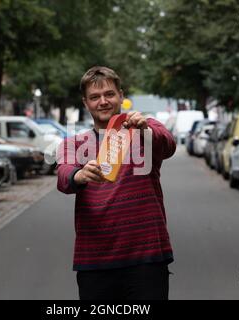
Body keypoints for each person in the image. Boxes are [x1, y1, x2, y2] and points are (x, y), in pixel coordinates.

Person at [56, 66, 176, 300]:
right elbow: (63, 176)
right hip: (95, 262)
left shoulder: (145, 129)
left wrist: (144, 129)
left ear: (121, 95)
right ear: (85, 102)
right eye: (94, 97)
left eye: (109, 94)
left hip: (148, 258)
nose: (103, 101)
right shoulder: (74, 143)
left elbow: (168, 145)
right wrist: (78, 176)